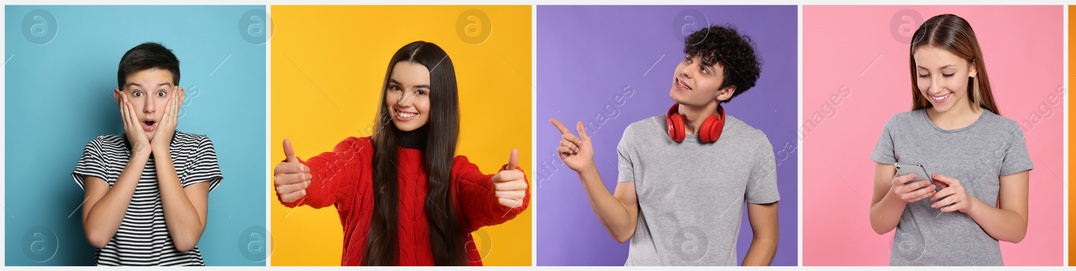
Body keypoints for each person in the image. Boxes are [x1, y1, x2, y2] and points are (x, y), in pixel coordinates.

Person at [271, 41, 529, 265]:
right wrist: (303, 179)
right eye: (395, 87)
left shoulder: (456, 173)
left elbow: (485, 196)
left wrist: (506, 191)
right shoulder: (358, 156)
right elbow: (326, 175)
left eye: (420, 92)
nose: (403, 101)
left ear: (441, 99)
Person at [548, 24, 779, 266]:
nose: (686, 71)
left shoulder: (753, 145)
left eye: (704, 70)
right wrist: (587, 170)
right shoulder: (637, 136)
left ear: (725, 91)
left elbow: (766, 238)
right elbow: (623, 229)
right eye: (688, 59)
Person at [867, 14, 1033, 266]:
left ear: (973, 67)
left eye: (947, 73)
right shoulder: (898, 128)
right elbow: (878, 224)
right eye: (923, 74)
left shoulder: (1006, 133)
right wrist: (896, 196)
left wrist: (969, 203)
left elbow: (1016, 229)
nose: (934, 87)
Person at [77, 42, 218, 266]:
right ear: (119, 98)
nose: (149, 107)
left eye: (161, 93)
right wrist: (140, 152)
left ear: (178, 98)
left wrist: (161, 149)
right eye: (137, 93)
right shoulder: (99, 149)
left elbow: (185, 239)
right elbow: (97, 234)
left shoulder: (198, 147)